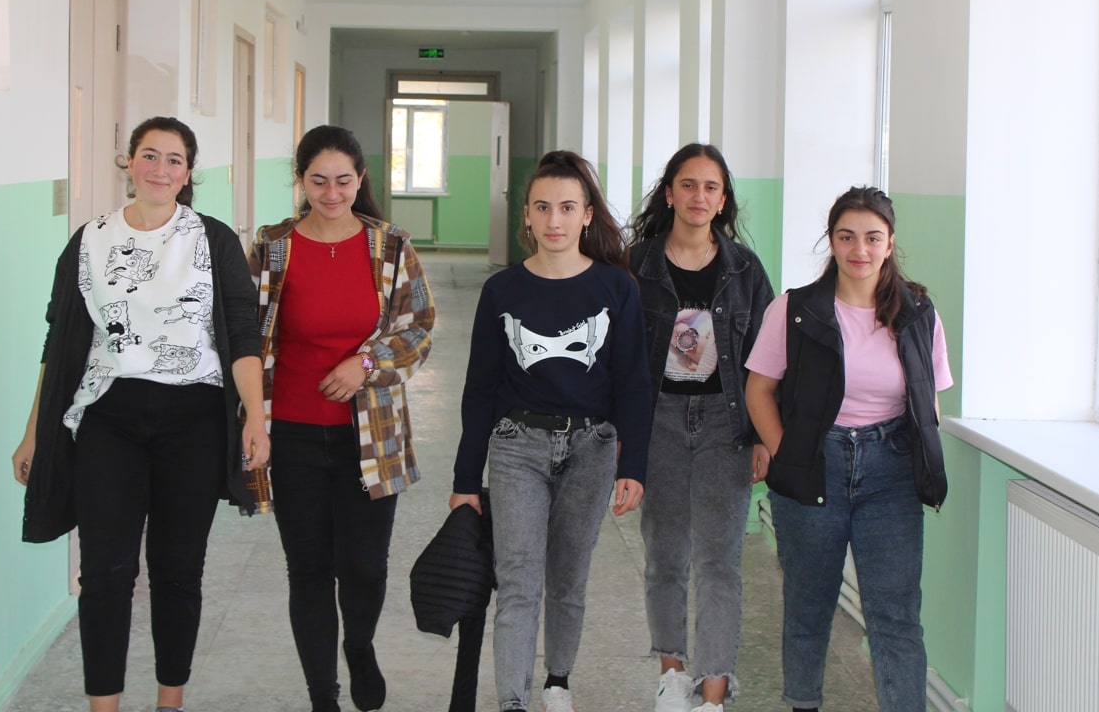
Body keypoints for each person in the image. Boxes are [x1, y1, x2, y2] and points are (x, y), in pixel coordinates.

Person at [12, 116, 270, 712]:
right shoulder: (89, 240)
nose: (160, 169)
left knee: (178, 571)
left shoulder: (212, 240)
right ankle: (104, 706)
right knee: (105, 572)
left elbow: (241, 333)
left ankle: (168, 702)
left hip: (195, 418)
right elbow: (60, 343)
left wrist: (255, 416)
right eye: (149, 155)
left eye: (174, 159)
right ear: (128, 161)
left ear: (189, 172)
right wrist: (34, 433)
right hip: (109, 417)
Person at [450, 150, 654, 712]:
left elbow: (634, 383)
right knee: (518, 579)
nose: (554, 220)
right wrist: (466, 479)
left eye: (567, 207)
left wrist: (633, 464)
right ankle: (512, 701)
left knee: (568, 576)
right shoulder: (502, 292)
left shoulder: (616, 289)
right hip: (517, 446)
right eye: (542, 207)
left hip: (593, 448)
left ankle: (557, 682)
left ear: (587, 215)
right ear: (527, 216)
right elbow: (480, 389)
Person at [245, 124, 435, 712]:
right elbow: (245, 337)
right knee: (307, 570)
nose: (332, 194)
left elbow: (419, 328)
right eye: (319, 181)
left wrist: (366, 363)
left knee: (364, 568)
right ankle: (322, 696)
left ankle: (359, 645)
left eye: (343, 181)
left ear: (361, 180)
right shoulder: (272, 249)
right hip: (293, 434)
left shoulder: (391, 247)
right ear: (301, 181)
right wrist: (249, 421)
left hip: (370, 433)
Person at [743, 187, 952, 712]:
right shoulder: (795, 310)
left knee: (896, 614)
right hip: (816, 465)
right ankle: (803, 704)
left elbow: (928, 400)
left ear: (890, 244)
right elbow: (758, 390)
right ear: (831, 242)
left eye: (873, 238)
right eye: (847, 237)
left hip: (891, 471)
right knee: (809, 605)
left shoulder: (919, 313)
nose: (860, 250)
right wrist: (787, 456)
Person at [628, 144, 775, 712]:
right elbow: (618, 357)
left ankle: (713, 692)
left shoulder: (745, 270)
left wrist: (762, 434)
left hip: (725, 424)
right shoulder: (636, 265)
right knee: (665, 555)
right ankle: (672, 673)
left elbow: (766, 361)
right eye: (688, 185)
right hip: (658, 420)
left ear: (723, 199)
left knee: (720, 560)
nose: (699, 196)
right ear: (669, 193)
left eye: (711, 187)